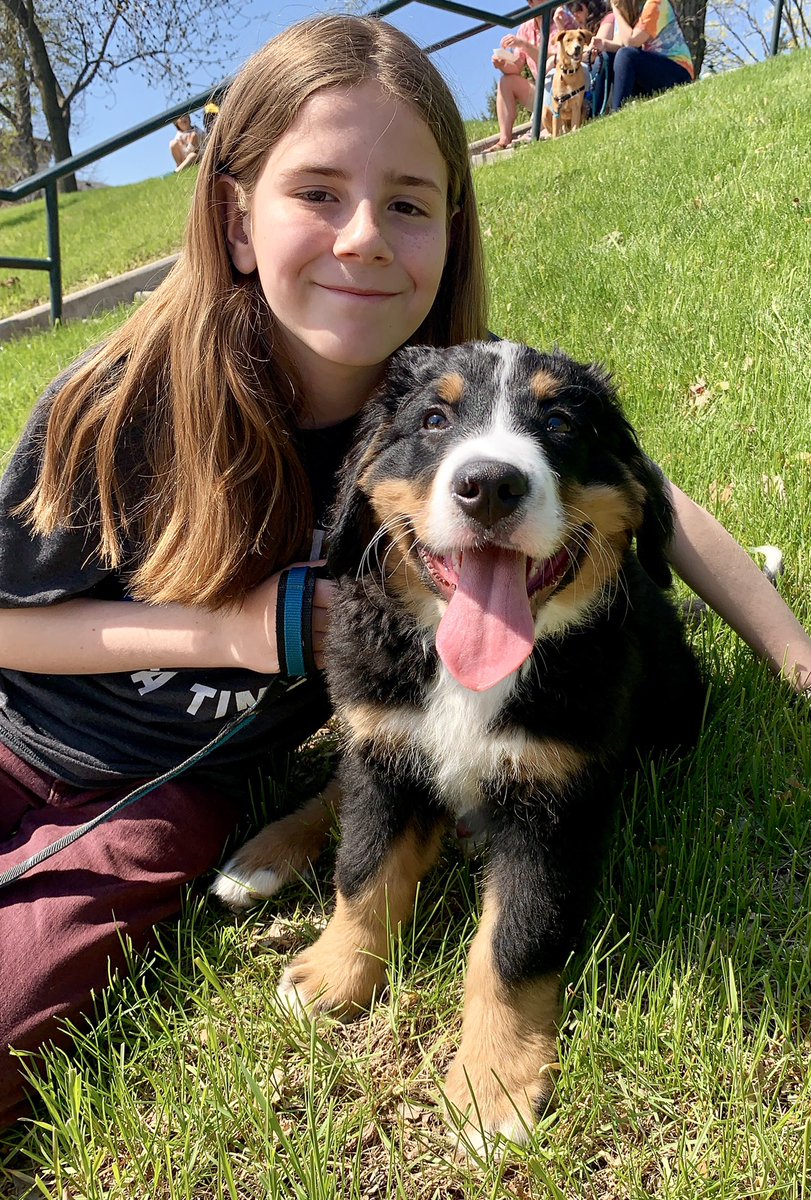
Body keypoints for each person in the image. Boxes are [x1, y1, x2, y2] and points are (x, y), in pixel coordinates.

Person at [0, 13, 809, 1130]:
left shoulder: (454, 401)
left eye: (409, 204)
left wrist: (793, 651)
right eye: (317, 193)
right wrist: (237, 632)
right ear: (235, 221)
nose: (365, 238)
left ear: (452, 229)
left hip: (161, 794)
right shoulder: (121, 402)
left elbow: (653, 498)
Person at [491, 1, 577, 149]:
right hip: (541, 92)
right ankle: (504, 140)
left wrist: (524, 45)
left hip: (566, 87)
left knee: (553, 69)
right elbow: (517, 66)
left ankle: (547, 126)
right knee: (506, 81)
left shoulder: (562, 19)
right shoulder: (525, 28)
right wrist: (502, 65)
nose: (530, 2)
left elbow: (558, 58)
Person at [591, 0, 694, 111]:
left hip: (678, 72)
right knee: (607, 57)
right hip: (653, 72)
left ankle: (617, 111)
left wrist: (616, 10)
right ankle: (595, 114)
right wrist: (603, 45)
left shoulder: (656, 3)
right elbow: (620, 44)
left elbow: (631, 42)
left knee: (626, 55)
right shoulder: (630, 10)